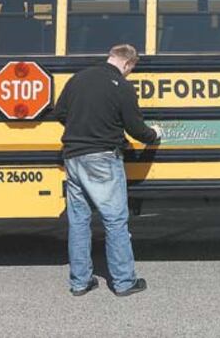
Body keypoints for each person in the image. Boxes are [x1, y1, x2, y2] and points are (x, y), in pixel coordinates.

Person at [54, 44, 161, 297]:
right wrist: (154, 134)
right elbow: (135, 128)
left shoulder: (78, 78)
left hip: (73, 156)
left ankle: (80, 282)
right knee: (115, 220)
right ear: (128, 64)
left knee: (79, 221)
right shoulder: (122, 86)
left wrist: (83, 127)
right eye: (130, 70)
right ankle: (124, 282)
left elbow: (60, 112)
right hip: (102, 157)